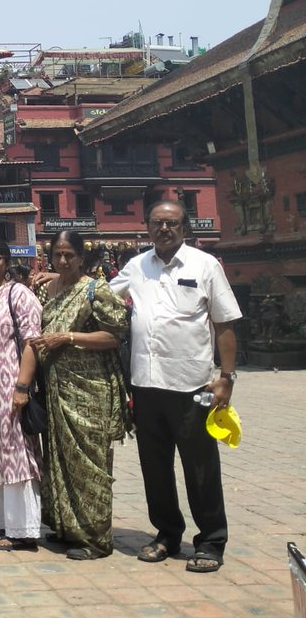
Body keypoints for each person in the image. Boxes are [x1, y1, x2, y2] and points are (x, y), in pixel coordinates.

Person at [110, 201, 242, 574]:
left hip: (194, 386)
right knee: (155, 466)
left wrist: (226, 378)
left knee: (200, 465)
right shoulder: (137, 266)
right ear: (147, 227)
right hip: (147, 386)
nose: (164, 229)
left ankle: (212, 540)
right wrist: (56, 281)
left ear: (185, 227)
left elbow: (225, 324)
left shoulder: (205, 266)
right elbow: (101, 296)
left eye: (172, 223)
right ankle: (167, 533)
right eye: (157, 223)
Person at [34, 229, 131, 560]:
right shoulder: (49, 289)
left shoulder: (94, 289)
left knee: (89, 464)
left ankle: (96, 539)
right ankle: (68, 527)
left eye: (69, 255)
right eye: (57, 255)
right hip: (57, 387)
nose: (63, 261)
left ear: (80, 257)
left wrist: (69, 337)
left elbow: (116, 334)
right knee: (61, 460)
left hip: (90, 389)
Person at [0, 237, 44, 552]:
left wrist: (22, 386)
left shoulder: (19, 294)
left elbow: (32, 341)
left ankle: (24, 529)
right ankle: (2, 523)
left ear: (6, 262)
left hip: (12, 386)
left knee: (16, 456)